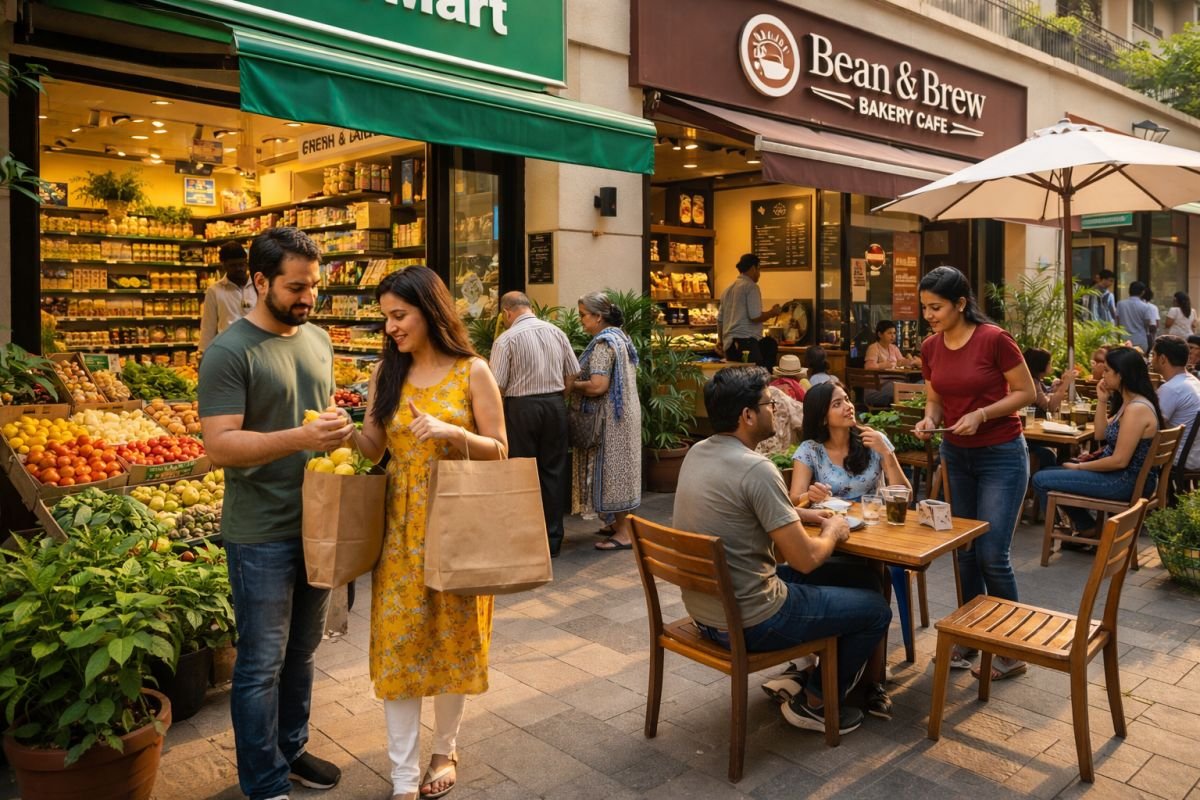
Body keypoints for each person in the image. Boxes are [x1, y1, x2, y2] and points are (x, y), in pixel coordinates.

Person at [199, 227, 349, 800]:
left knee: (303, 653)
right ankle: (263, 782)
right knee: (260, 662)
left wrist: (337, 429)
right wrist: (301, 438)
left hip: (318, 522)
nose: (308, 296)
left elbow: (320, 413)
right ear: (259, 281)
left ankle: (292, 747)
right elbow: (220, 446)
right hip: (260, 532)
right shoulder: (228, 353)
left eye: (313, 285)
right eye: (295, 286)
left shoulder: (318, 339)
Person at [349, 266, 507, 800]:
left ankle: (445, 746)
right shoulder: (384, 375)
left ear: (429, 311)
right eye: (385, 318)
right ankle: (400, 775)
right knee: (400, 645)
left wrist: (452, 432)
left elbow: (501, 450)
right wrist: (342, 430)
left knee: (452, 640)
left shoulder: (473, 372)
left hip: (457, 522)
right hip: (399, 528)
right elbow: (374, 449)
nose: (390, 327)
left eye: (399, 315)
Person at [673, 366, 891, 735]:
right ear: (747, 415)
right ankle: (817, 701)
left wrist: (803, 512)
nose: (776, 409)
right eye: (769, 403)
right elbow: (803, 560)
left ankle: (808, 672)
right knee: (875, 609)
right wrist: (834, 530)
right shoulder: (757, 469)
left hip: (708, 610)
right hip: (754, 619)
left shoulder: (698, 451)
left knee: (862, 576)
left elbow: (752, 510)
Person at [915, 266, 1035, 682]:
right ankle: (968, 638)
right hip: (957, 454)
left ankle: (1011, 647)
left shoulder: (995, 339)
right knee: (963, 551)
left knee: (992, 555)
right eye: (925, 307)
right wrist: (930, 421)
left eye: (936, 307)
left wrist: (982, 414)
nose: (929, 315)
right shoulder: (931, 346)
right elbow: (935, 400)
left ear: (961, 304)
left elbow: (1026, 392)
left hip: (1000, 454)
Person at [786, 381, 909, 719]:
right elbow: (792, 500)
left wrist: (888, 453)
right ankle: (837, 671)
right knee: (860, 587)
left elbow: (903, 493)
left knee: (876, 578)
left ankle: (871, 681)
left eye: (847, 399)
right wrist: (809, 496)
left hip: (871, 539)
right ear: (823, 415)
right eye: (838, 403)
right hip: (828, 537)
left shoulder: (871, 443)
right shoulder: (810, 450)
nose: (848, 406)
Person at [1032, 346, 1161, 541]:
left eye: (1108, 370)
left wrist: (1080, 468)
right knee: (1054, 469)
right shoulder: (1129, 402)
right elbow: (1100, 433)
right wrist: (1102, 401)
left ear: (1122, 374)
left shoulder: (1137, 409)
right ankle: (1087, 527)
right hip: (1121, 477)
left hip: (1124, 481)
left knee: (1041, 479)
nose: (1103, 374)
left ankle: (1083, 527)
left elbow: (1119, 461)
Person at [489, 291, 580, 557]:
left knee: (521, 470)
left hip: (521, 408)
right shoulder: (556, 332)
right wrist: (559, 396)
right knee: (553, 469)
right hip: (554, 405)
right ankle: (553, 540)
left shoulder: (506, 340)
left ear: (506, 313)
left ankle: (525, 538)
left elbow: (497, 385)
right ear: (528, 307)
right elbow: (572, 372)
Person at [570, 292, 642, 551]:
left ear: (598, 317)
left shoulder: (603, 344)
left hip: (610, 420)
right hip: (625, 414)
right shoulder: (621, 337)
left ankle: (623, 533)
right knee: (622, 470)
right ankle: (618, 525)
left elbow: (598, 385)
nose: (580, 321)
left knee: (613, 471)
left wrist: (570, 386)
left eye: (583, 315)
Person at [717, 253, 781, 368]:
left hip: (729, 345)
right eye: (759, 269)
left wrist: (720, 341)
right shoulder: (751, 287)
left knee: (737, 377)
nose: (759, 274)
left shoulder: (727, 290)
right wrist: (773, 312)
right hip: (746, 343)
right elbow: (755, 316)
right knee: (754, 378)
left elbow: (720, 320)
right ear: (753, 268)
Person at [1151, 335, 1200, 473]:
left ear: (1162, 359)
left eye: (1153, 355)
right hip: (1195, 455)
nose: (1151, 360)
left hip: (1181, 459)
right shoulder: (1193, 382)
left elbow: (1150, 425)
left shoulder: (1172, 389)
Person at [199, 241, 258, 355]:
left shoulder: (259, 286)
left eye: (242, 264)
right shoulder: (214, 291)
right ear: (223, 265)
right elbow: (208, 327)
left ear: (246, 263)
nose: (239, 269)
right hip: (227, 352)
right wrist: (203, 353)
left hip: (256, 348)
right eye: (233, 265)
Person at [864, 320, 920, 406]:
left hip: (894, 383)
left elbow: (901, 362)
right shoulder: (873, 348)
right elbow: (868, 366)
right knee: (911, 389)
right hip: (878, 388)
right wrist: (882, 365)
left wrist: (911, 361)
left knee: (921, 384)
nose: (893, 336)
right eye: (889, 333)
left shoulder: (894, 348)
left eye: (894, 333)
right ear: (880, 334)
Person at [1022, 348, 1071, 417]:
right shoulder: (1032, 383)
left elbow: (1044, 397)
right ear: (1042, 364)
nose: (1052, 367)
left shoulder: (1036, 381)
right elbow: (1049, 407)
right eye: (1050, 363)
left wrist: (1054, 389)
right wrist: (1063, 387)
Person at [1116, 281, 1154, 352]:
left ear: (1129, 291)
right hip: (1140, 339)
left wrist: (1118, 336)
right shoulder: (1145, 306)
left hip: (1124, 339)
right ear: (1143, 292)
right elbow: (1147, 323)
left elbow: (1117, 321)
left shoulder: (1120, 304)